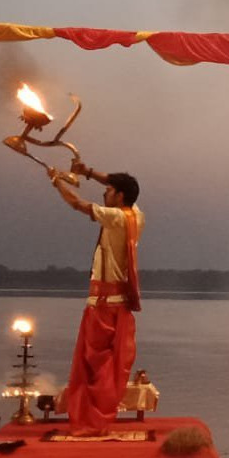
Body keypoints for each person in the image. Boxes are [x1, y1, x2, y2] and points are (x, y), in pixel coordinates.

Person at [49, 162, 144, 435]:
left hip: (103, 308)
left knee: (93, 368)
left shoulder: (114, 218)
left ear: (120, 197)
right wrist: (88, 172)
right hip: (117, 305)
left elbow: (77, 203)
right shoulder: (136, 214)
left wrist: (57, 181)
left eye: (109, 190)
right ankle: (94, 420)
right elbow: (119, 181)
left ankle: (90, 422)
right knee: (103, 369)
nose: (105, 193)